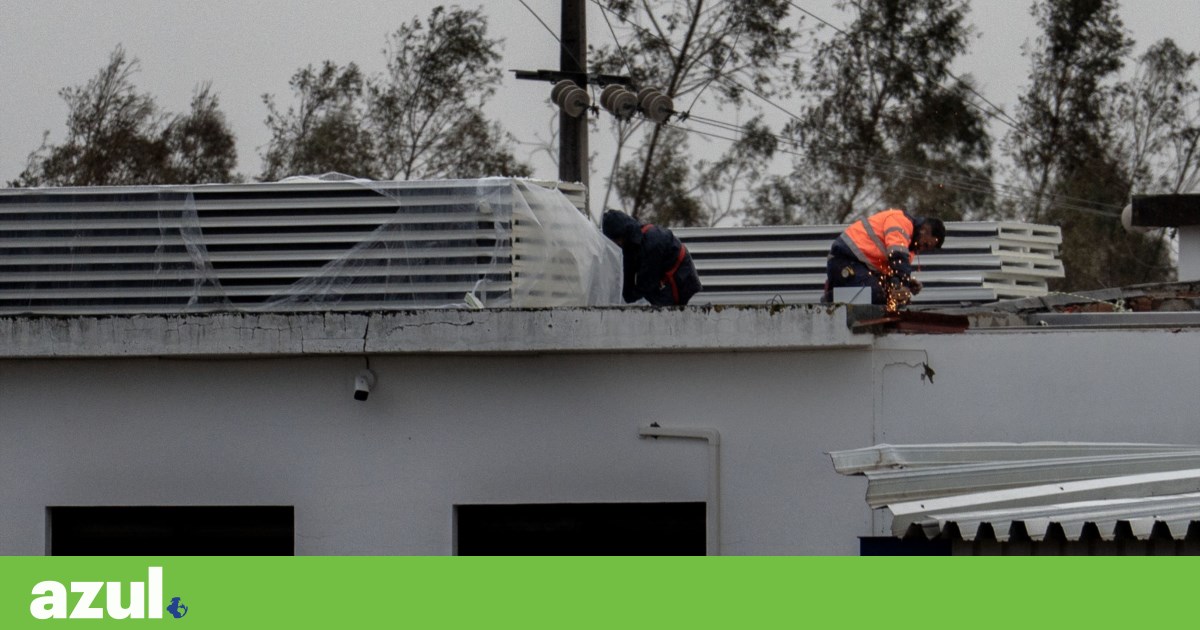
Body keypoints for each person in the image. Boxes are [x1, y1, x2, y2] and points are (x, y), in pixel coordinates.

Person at [822, 209, 945, 306]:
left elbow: (894, 272)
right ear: (924, 230)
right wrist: (904, 284)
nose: (922, 249)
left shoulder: (909, 248)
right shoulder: (901, 222)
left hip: (861, 266)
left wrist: (906, 285)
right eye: (926, 244)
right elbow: (898, 257)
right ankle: (831, 300)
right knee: (877, 294)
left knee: (892, 297)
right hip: (844, 259)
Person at [601, 209, 702, 306]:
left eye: (614, 240)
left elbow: (646, 283)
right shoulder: (630, 244)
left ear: (621, 234)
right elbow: (629, 273)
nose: (615, 244)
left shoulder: (651, 242)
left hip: (681, 278)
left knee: (664, 312)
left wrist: (629, 298)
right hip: (663, 278)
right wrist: (625, 295)